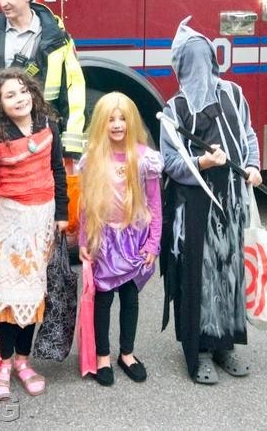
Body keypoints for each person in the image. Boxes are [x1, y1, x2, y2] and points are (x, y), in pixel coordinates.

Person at [159, 17, 263, 386]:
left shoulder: (233, 94)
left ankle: (226, 345)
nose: (201, 67)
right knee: (198, 276)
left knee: (230, 270)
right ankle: (200, 350)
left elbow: (248, 133)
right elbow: (169, 162)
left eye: (206, 57)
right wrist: (201, 163)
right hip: (195, 206)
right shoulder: (174, 110)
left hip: (233, 199)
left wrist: (252, 165)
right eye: (192, 60)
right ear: (181, 66)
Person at [0, 68, 69, 399]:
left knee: (34, 294)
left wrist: (62, 214)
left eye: (24, 91)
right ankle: (3, 363)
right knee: (9, 296)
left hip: (41, 220)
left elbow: (57, 170)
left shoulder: (49, 125)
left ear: (33, 94)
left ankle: (23, 362)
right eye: (10, 94)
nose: (20, 98)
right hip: (9, 221)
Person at [78, 92, 163, 387]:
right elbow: (86, 205)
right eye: (110, 119)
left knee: (130, 296)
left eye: (122, 118)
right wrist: (83, 241)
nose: (116, 124)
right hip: (104, 240)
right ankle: (102, 355)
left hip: (134, 240)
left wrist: (153, 243)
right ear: (101, 123)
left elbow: (154, 204)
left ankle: (127, 352)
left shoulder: (145, 158)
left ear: (131, 122)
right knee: (103, 298)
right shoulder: (93, 160)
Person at [0, 0, 86, 156]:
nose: (2, 3)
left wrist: (70, 146)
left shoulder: (57, 38)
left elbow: (73, 91)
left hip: (42, 129)